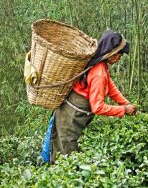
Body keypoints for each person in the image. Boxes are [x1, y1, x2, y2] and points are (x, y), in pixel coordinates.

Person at [48, 29, 137, 164]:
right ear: (112, 53)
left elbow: (111, 87)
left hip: (72, 113)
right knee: (68, 157)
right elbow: (98, 107)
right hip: (71, 117)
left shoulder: (100, 64)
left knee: (66, 152)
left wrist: (126, 103)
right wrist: (123, 110)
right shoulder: (99, 73)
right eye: (120, 55)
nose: (119, 58)